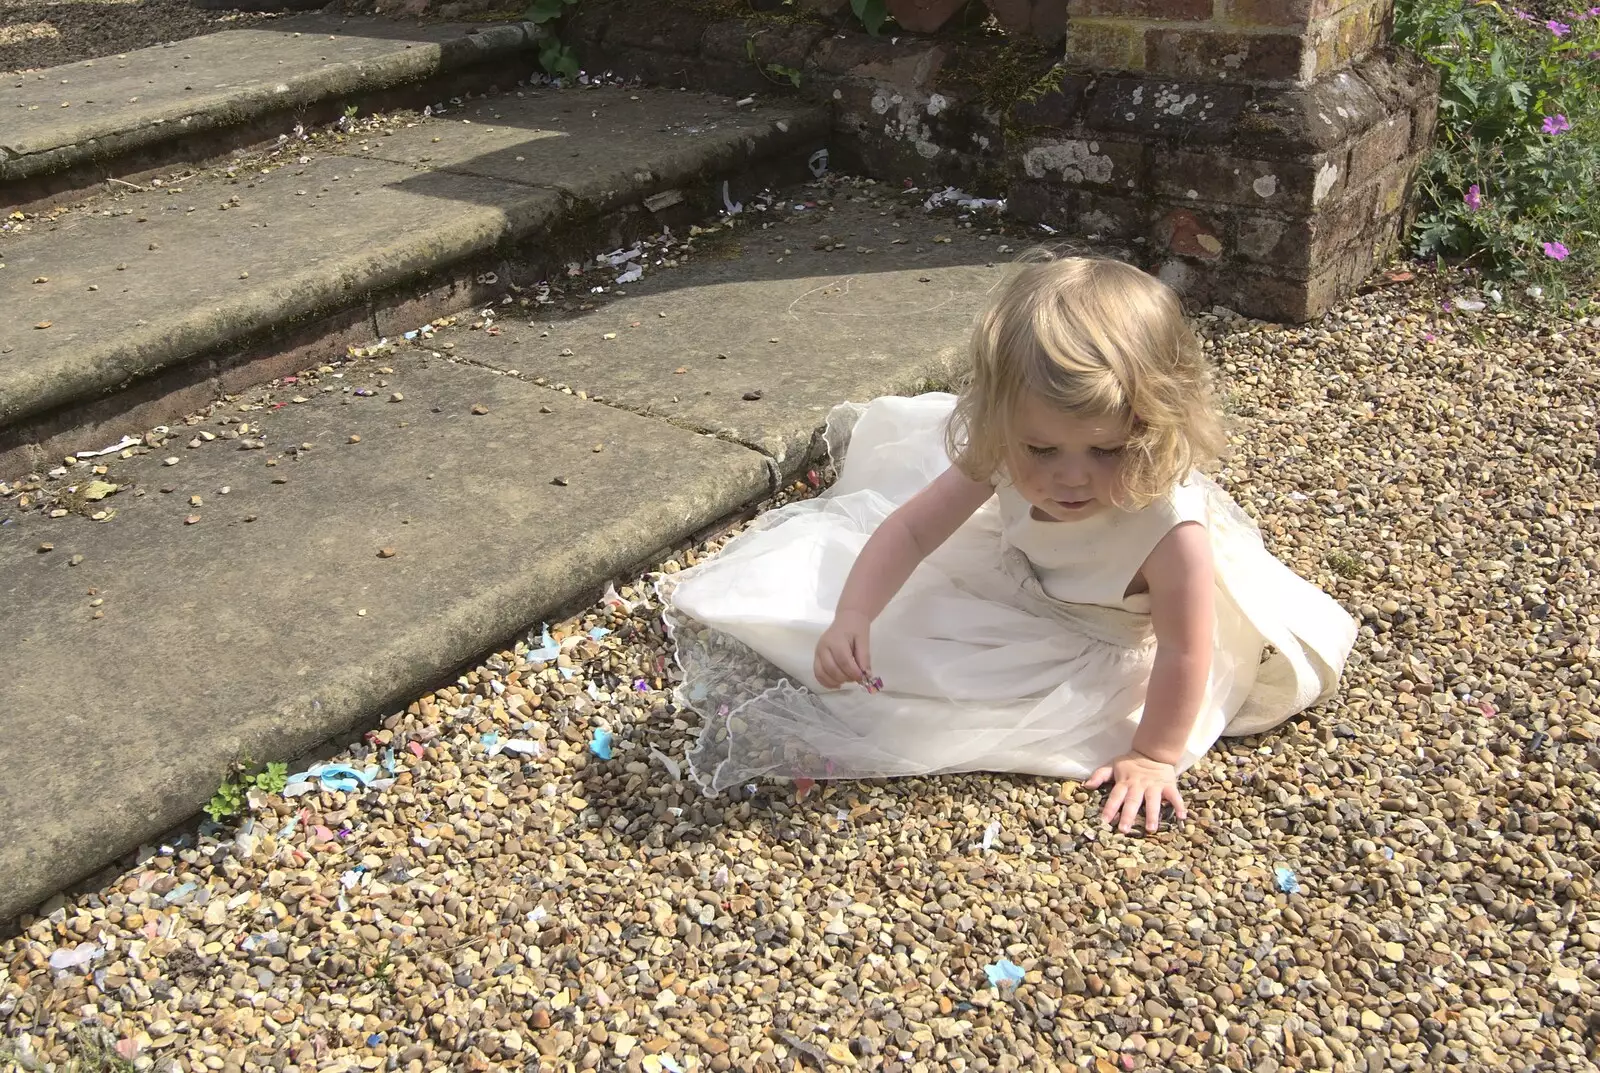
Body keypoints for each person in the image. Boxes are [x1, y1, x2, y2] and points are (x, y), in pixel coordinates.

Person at [661, 253, 1356, 832]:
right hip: (1019, 575)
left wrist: (1154, 753)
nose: (1070, 477)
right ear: (1004, 420)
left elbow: (1185, 648)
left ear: (1152, 431)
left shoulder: (1166, 531)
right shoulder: (1004, 451)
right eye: (1042, 448)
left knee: (932, 702)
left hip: (1107, 635)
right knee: (821, 619)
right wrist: (854, 615)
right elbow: (909, 528)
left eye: (1106, 451)